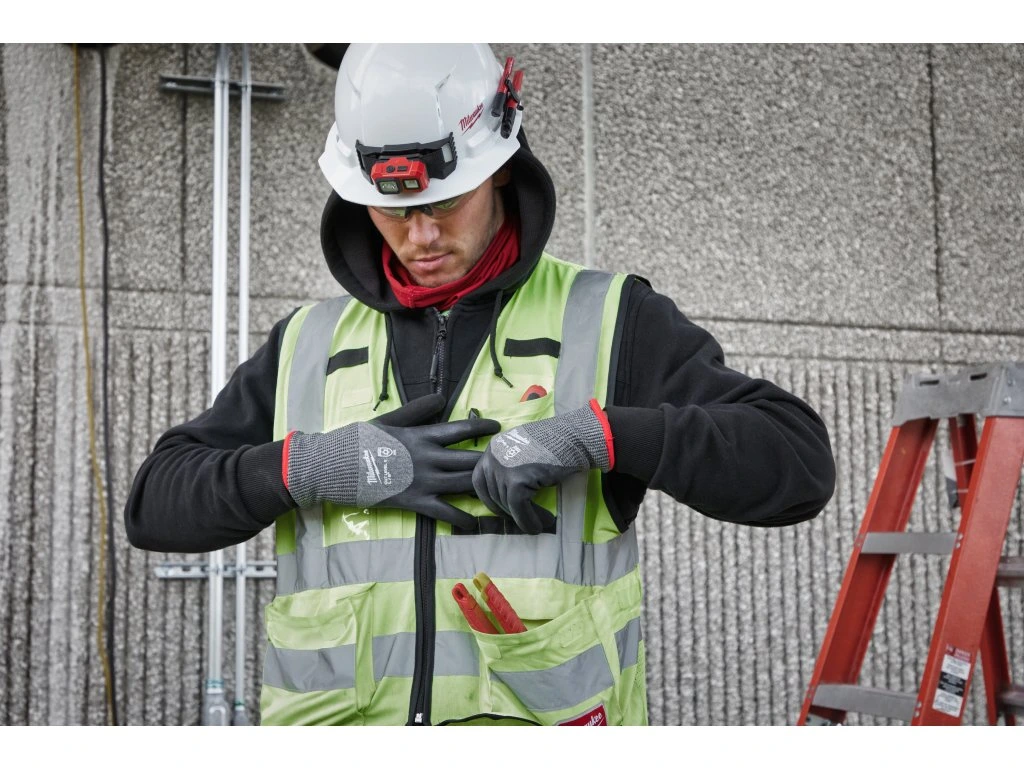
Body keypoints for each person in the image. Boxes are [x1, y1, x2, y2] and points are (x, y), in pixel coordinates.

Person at [124, 43, 836, 726]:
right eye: (393, 209)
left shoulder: (609, 318)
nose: (420, 237)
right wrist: (310, 467)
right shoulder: (309, 343)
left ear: (500, 168)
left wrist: (602, 435)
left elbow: (796, 462)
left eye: (445, 203)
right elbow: (156, 504)